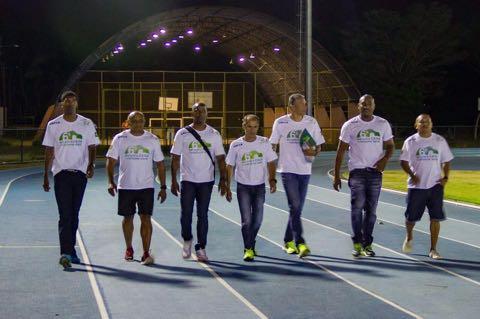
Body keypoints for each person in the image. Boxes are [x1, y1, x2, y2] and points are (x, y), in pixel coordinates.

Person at [42, 90, 99, 269]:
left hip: (80, 174)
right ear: (61, 104)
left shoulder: (86, 123)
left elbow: (92, 146)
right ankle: (65, 252)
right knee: (64, 215)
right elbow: (49, 151)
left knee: (74, 214)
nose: (70, 103)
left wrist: (91, 165)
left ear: (77, 104)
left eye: (73, 100)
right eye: (66, 100)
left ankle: (71, 250)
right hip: (61, 174)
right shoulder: (53, 124)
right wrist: (46, 175)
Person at [333, 94, 394, 257]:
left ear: (374, 106)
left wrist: (385, 160)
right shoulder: (350, 125)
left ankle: (368, 244)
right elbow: (340, 152)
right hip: (357, 172)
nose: (366, 106)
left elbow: (390, 146)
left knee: (371, 211)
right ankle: (357, 243)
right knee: (357, 208)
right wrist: (337, 176)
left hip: (375, 173)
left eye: (369, 104)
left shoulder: (382, 124)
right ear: (358, 106)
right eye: (363, 104)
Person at [106, 111, 167, 265]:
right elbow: (111, 161)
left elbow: (160, 164)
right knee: (128, 218)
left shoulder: (152, 139)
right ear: (128, 122)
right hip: (126, 186)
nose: (138, 123)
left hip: (146, 186)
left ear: (145, 122)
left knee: (146, 218)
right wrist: (110, 181)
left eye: (141, 120)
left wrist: (163, 187)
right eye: (134, 120)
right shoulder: (120, 138)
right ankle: (129, 248)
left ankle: (146, 252)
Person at [170, 102, 227, 262]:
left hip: (206, 182)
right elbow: (175, 158)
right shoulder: (182, 134)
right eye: (196, 111)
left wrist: (223, 180)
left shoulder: (214, 134)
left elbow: (221, 158)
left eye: (203, 111)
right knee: (186, 214)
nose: (200, 114)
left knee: (203, 215)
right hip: (187, 180)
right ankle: (187, 240)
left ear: (207, 114)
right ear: (192, 114)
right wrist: (173, 181)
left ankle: (201, 247)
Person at [270, 93, 325, 258]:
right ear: (292, 106)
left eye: (306, 103)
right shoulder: (280, 122)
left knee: (297, 208)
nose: (305, 106)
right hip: (287, 170)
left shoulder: (311, 122)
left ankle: (288, 240)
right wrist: (270, 168)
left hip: (305, 170)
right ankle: (300, 242)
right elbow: (272, 145)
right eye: (302, 104)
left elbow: (319, 147)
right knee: (294, 206)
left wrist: (312, 151)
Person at [400, 114, 453, 259]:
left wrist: (445, 177)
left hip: (435, 186)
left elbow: (447, 160)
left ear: (431, 124)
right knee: (411, 218)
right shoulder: (410, 142)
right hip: (416, 187)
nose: (424, 124)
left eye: (427, 122)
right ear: (416, 125)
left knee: (435, 217)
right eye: (421, 122)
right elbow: (403, 162)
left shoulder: (439, 140)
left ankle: (433, 249)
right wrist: (412, 175)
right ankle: (409, 236)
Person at [225, 114, 277, 261]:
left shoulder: (264, 142)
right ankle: (248, 248)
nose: (252, 130)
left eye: (255, 127)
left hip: (259, 186)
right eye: (249, 126)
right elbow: (229, 166)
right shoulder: (235, 144)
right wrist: (227, 187)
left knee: (258, 220)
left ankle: (251, 242)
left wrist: (272, 179)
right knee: (246, 220)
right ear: (244, 126)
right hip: (243, 187)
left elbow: (271, 161)